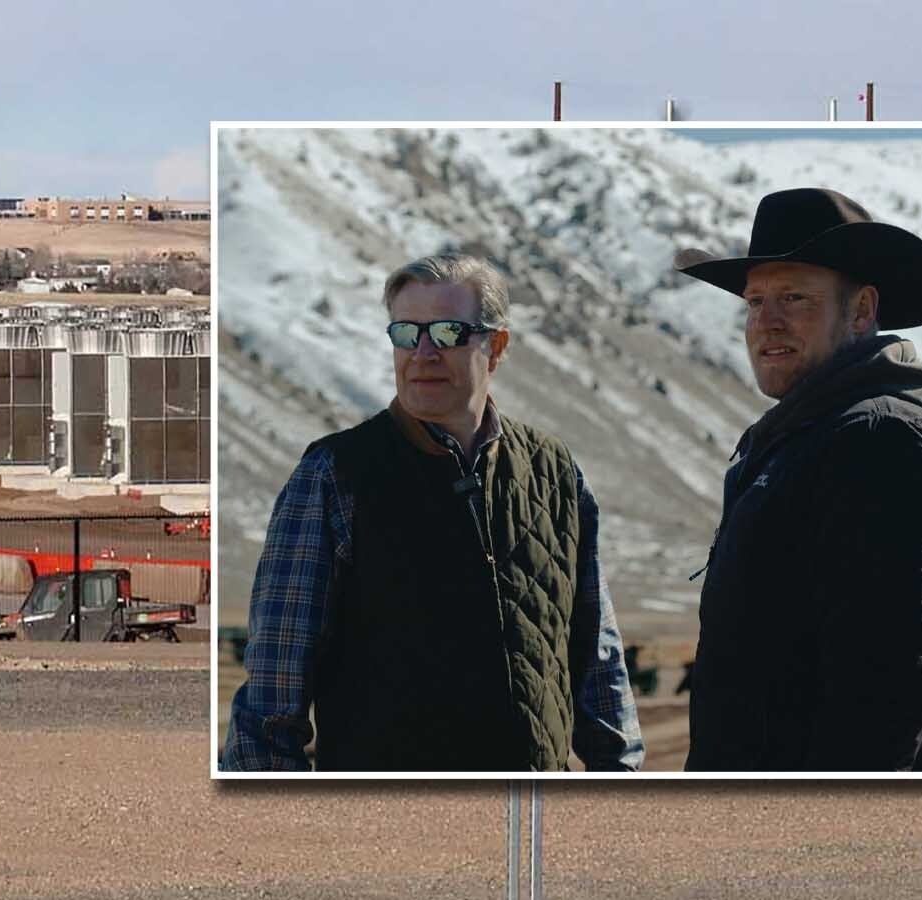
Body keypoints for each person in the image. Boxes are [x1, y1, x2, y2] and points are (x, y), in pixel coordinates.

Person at [221, 252, 644, 772]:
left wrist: (620, 787)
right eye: (406, 333)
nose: (422, 352)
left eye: (447, 332)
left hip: (533, 823)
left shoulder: (554, 472)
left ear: (497, 346)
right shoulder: (334, 475)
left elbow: (600, 671)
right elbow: (268, 712)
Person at [674, 188, 922, 771]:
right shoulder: (798, 442)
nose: (767, 321)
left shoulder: (880, 443)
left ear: (862, 311)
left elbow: (886, 687)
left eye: (794, 297)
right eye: (755, 300)